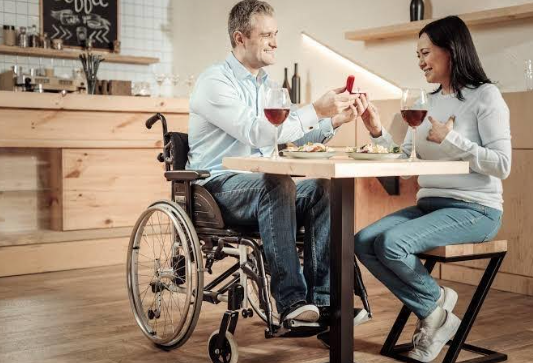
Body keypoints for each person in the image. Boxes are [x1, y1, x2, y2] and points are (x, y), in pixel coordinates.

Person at [187, 0, 362, 324]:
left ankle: (323, 303)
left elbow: (285, 138)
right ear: (240, 38)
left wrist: (333, 121)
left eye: (276, 33)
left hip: (263, 182)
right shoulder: (215, 82)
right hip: (218, 185)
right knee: (277, 183)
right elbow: (255, 132)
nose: (275, 42)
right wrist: (314, 110)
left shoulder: (268, 87)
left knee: (324, 188)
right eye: (266, 34)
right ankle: (291, 301)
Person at [353, 16, 511, 362]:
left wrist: (452, 139)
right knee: (363, 242)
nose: (421, 61)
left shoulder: (486, 96)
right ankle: (436, 307)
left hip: (476, 210)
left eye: (426, 52)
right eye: (418, 55)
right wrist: (378, 130)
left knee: (391, 244)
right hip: (430, 205)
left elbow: (503, 164)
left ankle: (433, 313)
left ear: (450, 50)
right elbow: (398, 160)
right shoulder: (425, 101)